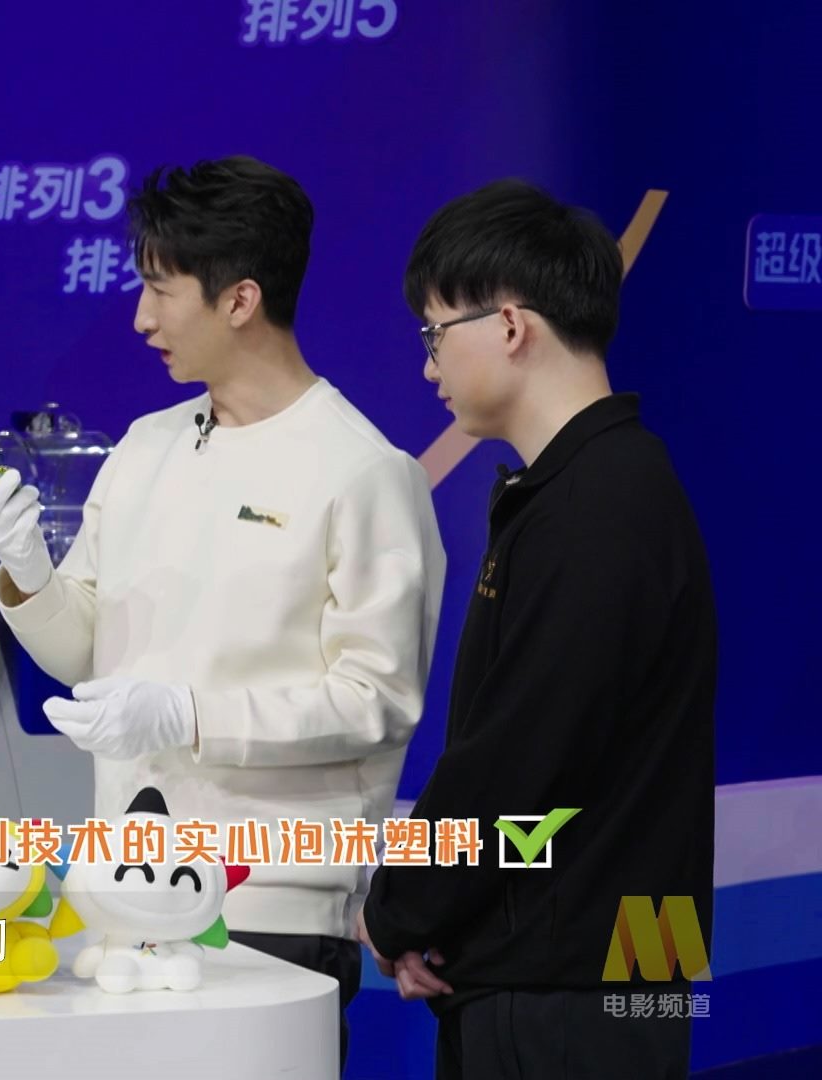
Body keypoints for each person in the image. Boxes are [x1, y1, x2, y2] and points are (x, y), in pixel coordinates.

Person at [0, 156, 445, 1068]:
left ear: (240, 300)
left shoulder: (362, 471)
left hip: (266, 900)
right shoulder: (145, 447)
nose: (141, 319)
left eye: (160, 290)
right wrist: (27, 574)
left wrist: (188, 714)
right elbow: (86, 655)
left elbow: (376, 700)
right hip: (118, 898)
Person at [356, 179, 717, 1080]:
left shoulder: (597, 504)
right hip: (595, 965)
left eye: (435, 334)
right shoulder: (602, 484)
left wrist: (399, 911)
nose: (429, 369)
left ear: (511, 326)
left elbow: (520, 758)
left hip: (570, 986)